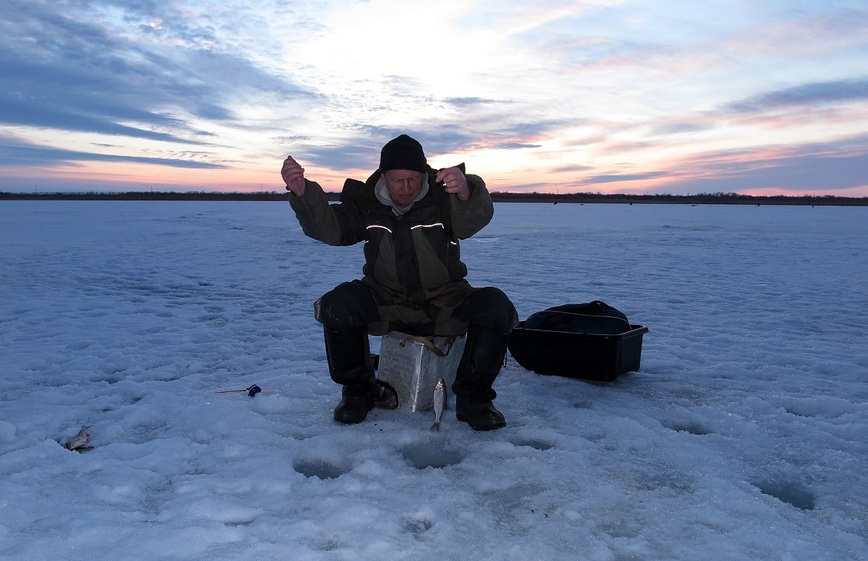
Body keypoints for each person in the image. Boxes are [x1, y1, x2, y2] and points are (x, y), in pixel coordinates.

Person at [281, 134, 518, 431]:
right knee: (338, 304)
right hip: (386, 301)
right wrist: (304, 194)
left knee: (496, 306)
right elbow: (331, 230)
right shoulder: (366, 204)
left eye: (413, 179)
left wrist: (467, 192)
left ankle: (474, 398)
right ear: (383, 177)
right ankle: (359, 392)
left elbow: (469, 223)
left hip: (445, 301)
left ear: (424, 175)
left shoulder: (443, 198)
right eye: (397, 180)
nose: (406, 188)